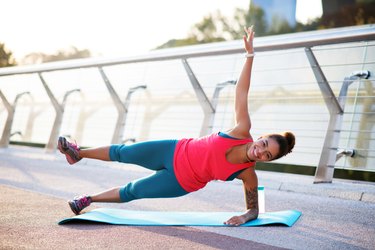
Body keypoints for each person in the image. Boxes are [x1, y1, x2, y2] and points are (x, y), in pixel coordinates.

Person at [58, 26, 295, 226]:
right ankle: (78, 153)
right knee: (123, 152)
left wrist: (244, 217)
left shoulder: (248, 174)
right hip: (173, 150)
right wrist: (250, 55)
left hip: (182, 181)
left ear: (266, 160)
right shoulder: (242, 130)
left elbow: (254, 210)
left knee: (134, 190)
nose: (260, 151)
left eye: (267, 154)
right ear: (260, 137)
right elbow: (241, 92)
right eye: (264, 144)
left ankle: (88, 199)